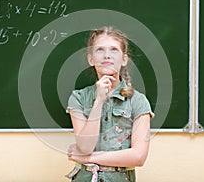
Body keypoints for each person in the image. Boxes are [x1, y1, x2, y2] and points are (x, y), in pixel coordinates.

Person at [65, 26, 154, 182]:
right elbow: (85, 147)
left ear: (124, 59)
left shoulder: (138, 101)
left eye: (114, 50)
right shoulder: (78, 98)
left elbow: (138, 157)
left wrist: (88, 158)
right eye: (99, 50)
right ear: (91, 59)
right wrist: (98, 101)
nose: (107, 55)